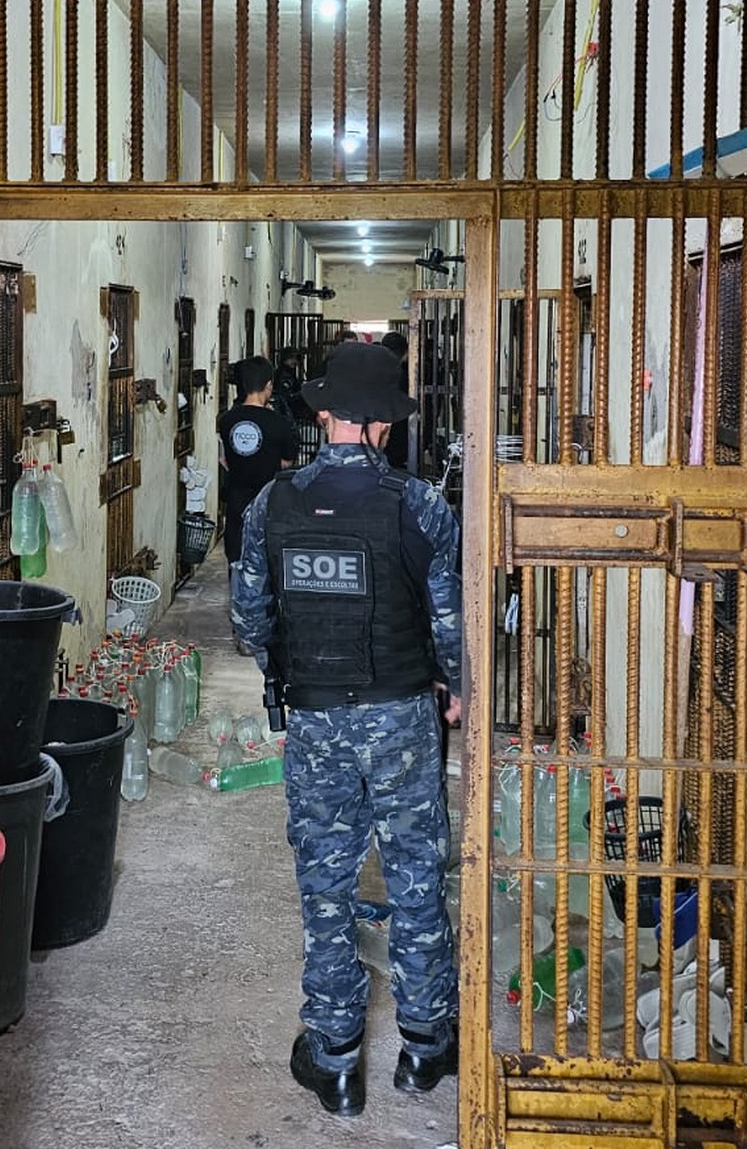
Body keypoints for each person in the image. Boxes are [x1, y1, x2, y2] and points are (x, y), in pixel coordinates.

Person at [230, 342, 462, 1118]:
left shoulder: (275, 504)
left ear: (325, 417)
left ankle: (333, 1061)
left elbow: (247, 618)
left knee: (326, 887)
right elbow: (450, 623)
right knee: (416, 877)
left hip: (318, 716)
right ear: (384, 427)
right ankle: (425, 1050)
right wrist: (452, 687)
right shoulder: (420, 504)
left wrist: (286, 663)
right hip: (401, 715)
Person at [218, 355, 298, 568]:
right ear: (269, 385)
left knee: (236, 558)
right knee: (267, 560)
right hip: (268, 501)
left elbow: (224, 459)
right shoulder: (278, 423)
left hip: (236, 499)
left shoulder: (226, 420)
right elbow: (287, 462)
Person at [380, 330, 411, 470]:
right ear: (405, 352)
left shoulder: (375, 370)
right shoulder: (405, 374)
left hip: (380, 426)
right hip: (401, 425)